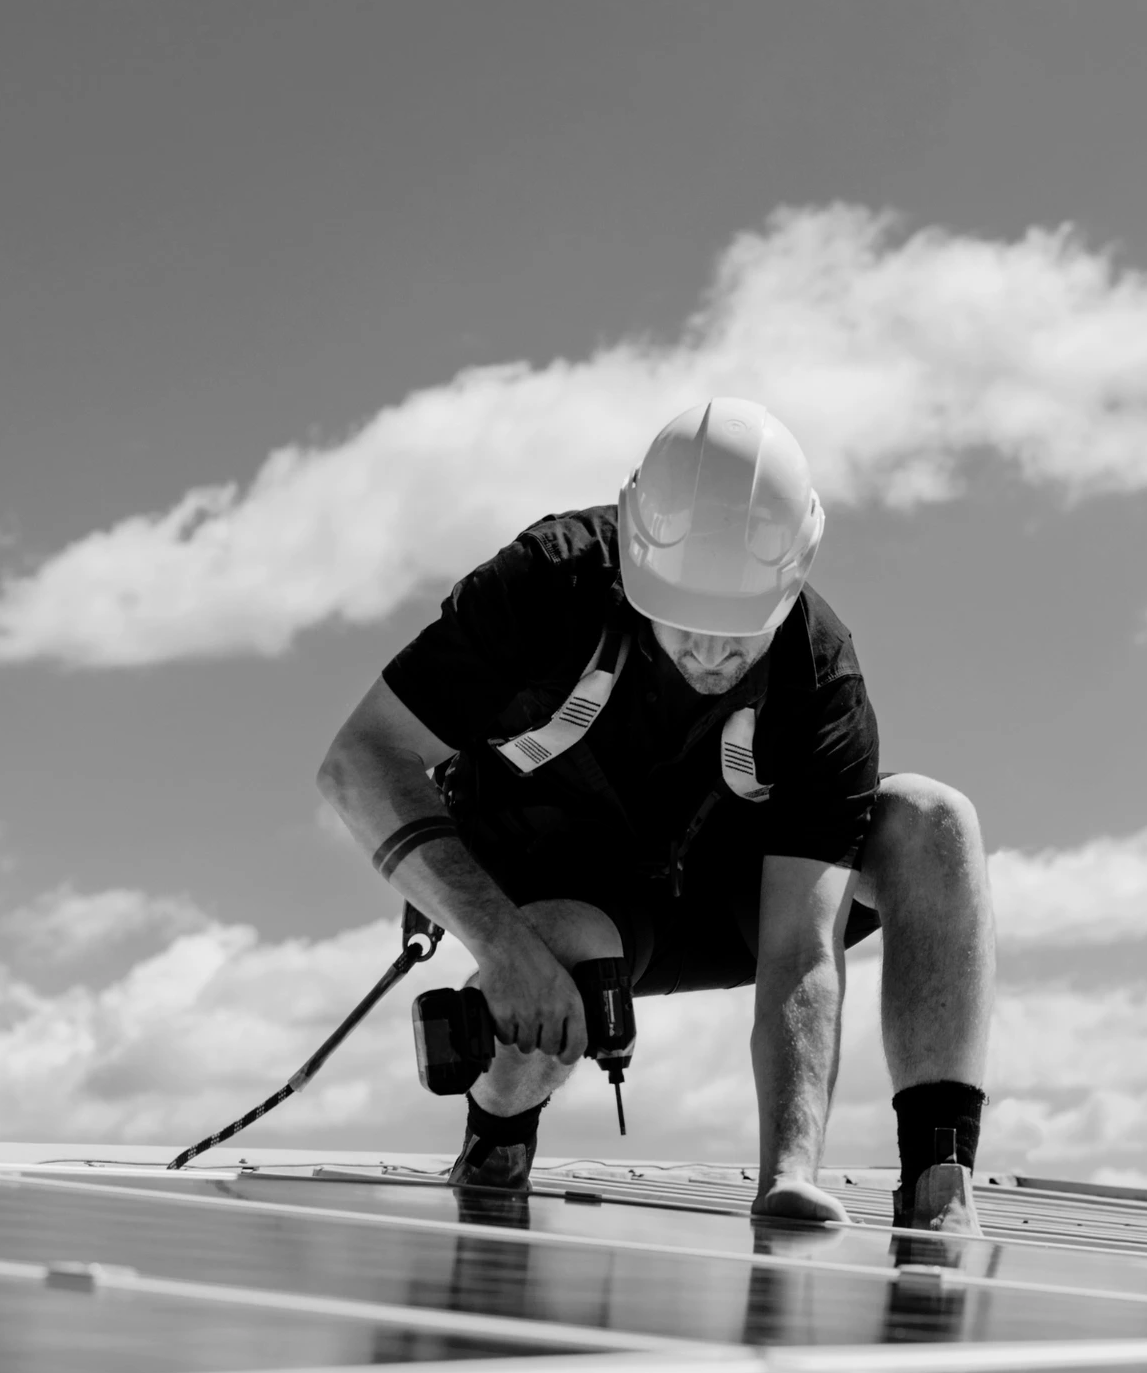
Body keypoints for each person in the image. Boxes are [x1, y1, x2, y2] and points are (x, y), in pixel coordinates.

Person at [318, 399, 994, 1232]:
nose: (712, 654)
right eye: (687, 626)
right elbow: (360, 761)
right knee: (568, 950)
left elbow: (800, 951)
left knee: (934, 821)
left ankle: (939, 1183)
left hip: (729, 893)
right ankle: (497, 1142)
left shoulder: (818, 678)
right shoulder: (548, 585)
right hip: (561, 887)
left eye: (739, 634)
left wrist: (789, 1175)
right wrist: (503, 945)